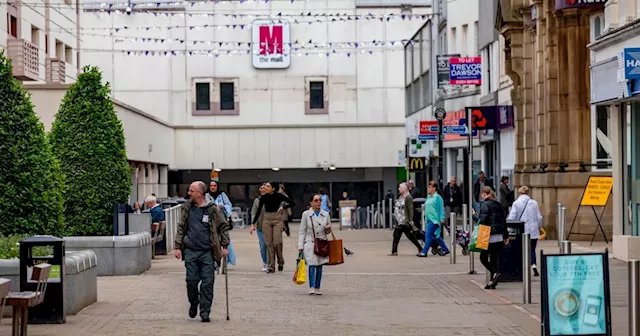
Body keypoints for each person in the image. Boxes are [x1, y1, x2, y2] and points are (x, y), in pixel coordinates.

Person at [173, 181, 230, 322]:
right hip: (191, 250)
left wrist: (224, 246)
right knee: (191, 281)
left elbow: (223, 226)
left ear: (200, 193)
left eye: (191, 191)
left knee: (207, 283)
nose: (189, 193)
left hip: (207, 252)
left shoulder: (212, 209)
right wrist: (177, 246)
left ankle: (205, 311)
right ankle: (194, 303)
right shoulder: (187, 208)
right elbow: (181, 227)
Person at [253, 182, 294, 273]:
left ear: (273, 188)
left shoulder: (279, 196)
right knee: (269, 243)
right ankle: (271, 266)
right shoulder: (264, 197)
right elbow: (259, 211)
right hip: (266, 219)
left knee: (277, 242)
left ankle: (280, 261)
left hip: (277, 219)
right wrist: (253, 224)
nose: (265, 188)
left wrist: (283, 207)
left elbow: (292, 203)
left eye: (268, 186)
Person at [473, 186, 509, 289]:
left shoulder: (484, 205)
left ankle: (495, 272)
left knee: (483, 258)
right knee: (493, 258)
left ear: (484, 194)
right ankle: (493, 281)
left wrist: (474, 215)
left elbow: (482, 220)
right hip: (499, 236)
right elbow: (503, 221)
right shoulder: (499, 205)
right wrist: (505, 235)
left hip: (488, 236)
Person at [298, 194, 332, 295]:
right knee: (312, 264)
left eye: (320, 200)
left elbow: (328, 230)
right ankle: (312, 287)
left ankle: (318, 287)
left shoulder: (325, 214)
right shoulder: (306, 214)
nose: (318, 202)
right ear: (311, 202)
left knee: (320, 265)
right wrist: (300, 245)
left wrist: (327, 229)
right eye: (316, 200)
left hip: (322, 242)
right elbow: (302, 231)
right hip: (310, 242)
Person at [507, 186, 542, 276]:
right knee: (532, 249)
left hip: (522, 230)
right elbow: (539, 217)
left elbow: (512, 217)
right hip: (533, 230)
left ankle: (523, 268)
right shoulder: (534, 203)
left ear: (519, 193)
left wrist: (509, 228)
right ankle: (533, 264)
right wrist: (538, 227)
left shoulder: (516, 203)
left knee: (521, 249)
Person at [389, 182, 423, 256]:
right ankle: (394, 251)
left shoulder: (408, 197)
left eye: (400, 187)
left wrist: (410, 220)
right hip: (399, 220)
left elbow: (410, 209)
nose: (399, 189)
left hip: (404, 220)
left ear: (404, 189)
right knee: (396, 235)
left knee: (409, 236)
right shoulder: (400, 196)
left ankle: (420, 248)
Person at [418, 181, 450, 257]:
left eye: (429, 187)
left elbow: (441, 209)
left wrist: (442, 218)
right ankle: (446, 249)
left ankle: (424, 252)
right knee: (436, 237)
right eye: (428, 187)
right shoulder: (428, 197)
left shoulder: (438, 197)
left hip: (435, 220)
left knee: (428, 235)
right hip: (428, 220)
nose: (428, 189)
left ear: (434, 188)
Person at [250, 184, 268, 272]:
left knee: (270, 245)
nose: (262, 189)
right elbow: (254, 213)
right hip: (260, 227)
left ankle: (270, 262)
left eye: (264, 187)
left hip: (270, 226)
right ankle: (265, 262)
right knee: (263, 245)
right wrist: (253, 225)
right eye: (261, 187)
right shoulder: (257, 201)